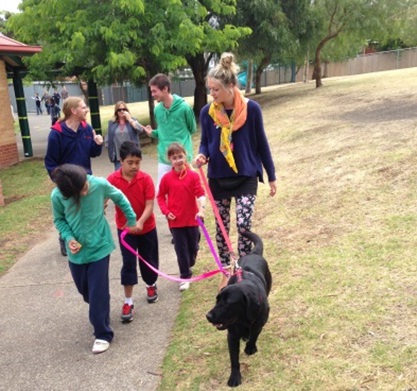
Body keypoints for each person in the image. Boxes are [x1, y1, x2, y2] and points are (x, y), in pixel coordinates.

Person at [194, 52, 277, 290]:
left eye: (216, 90)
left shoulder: (252, 110)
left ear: (231, 87)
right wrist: (202, 155)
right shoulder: (208, 113)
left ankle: (241, 269)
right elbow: (206, 142)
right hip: (218, 178)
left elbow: (261, 143)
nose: (212, 95)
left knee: (243, 226)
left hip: (246, 177)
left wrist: (271, 175)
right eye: (210, 89)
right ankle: (225, 269)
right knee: (221, 230)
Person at [51, 163, 138, 354]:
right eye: (80, 190)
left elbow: (120, 198)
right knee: (86, 292)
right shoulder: (58, 196)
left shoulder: (98, 184)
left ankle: (102, 334)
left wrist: (131, 220)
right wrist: (68, 237)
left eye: (84, 185)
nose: (85, 191)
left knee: (97, 293)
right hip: (76, 253)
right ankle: (100, 305)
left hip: (99, 247)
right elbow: (59, 220)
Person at [107, 141, 159, 322]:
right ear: (121, 161)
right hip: (126, 231)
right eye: (130, 162)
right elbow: (103, 200)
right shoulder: (112, 180)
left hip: (147, 228)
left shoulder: (145, 179)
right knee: (128, 264)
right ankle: (128, 301)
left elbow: (149, 204)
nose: (134, 166)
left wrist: (141, 222)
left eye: (138, 162)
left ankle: (151, 284)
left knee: (149, 261)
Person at [45, 96, 103, 256]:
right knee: (69, 214)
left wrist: (97, 143)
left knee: (86, 212)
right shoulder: (56, 134)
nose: (86, 110)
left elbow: (93, 152)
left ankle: (88, 240)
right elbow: (50, 163)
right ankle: (65, 240)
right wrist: (61, 182)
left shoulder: (86, 128)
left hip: (85, 180)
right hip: (67, 182)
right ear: (73, 110)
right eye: (83, 107)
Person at [157, 143, 205, 291]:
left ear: (185, 156)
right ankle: (185, 276)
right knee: (181, 249)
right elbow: (160, 197)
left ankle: (189, 261)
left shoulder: (193, 176)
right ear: (170, 160)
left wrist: (201, 210)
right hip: (175, 222)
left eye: (180, 157)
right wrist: (166, 211)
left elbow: (200, 194)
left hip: (192, 220)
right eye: (174, 158)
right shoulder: (167, 178)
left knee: (193, 245)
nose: (178, 160)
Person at [143, 73, 197, 190]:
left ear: (165, 89)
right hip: (164, 158)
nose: (152, 94)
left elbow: (192, 129)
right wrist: (152, 133)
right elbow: (162, 132)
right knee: (161, 191)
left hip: (182, 158)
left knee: (185, 191)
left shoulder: (184, 108)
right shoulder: (157, 110)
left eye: (154, 91)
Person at [106, 101, 144, 170]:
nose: (122, 111)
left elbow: (140, 130)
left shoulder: (132, 120)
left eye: (124, 109)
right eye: (119, 110)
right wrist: (109, 147)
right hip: (118, 156)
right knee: (119, 177)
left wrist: (130, 119)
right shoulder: (112, 123)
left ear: (127, 110)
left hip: (132, 155)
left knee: (132, 175)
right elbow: (108, 138)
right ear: (116, 112)